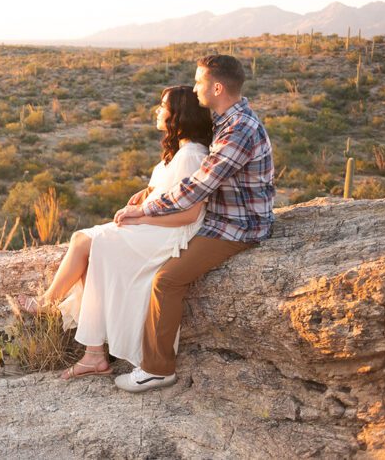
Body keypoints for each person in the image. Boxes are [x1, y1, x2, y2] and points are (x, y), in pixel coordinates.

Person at [15, 84, 213, 379]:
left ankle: (50, 305)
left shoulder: (192, 155)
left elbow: (191, 213)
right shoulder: (179, 152)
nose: (158, 110)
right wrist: (146, 194)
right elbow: (170, 192)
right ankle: (93, 354)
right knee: (89, 244)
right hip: (155, 226)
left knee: (87, 241)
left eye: (163, 106)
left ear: (179, 114)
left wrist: (141, 218)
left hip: (169, 235)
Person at [112, 54, 275, 393]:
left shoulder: (239, 129)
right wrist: (150, 193)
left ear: (217, 87)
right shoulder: (226, 120)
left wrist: (146, 209)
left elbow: (198, 186)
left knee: (166, 280)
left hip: (236, 227)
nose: (196, 87)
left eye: (200, 82)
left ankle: (158, 369)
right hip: (217, 216)